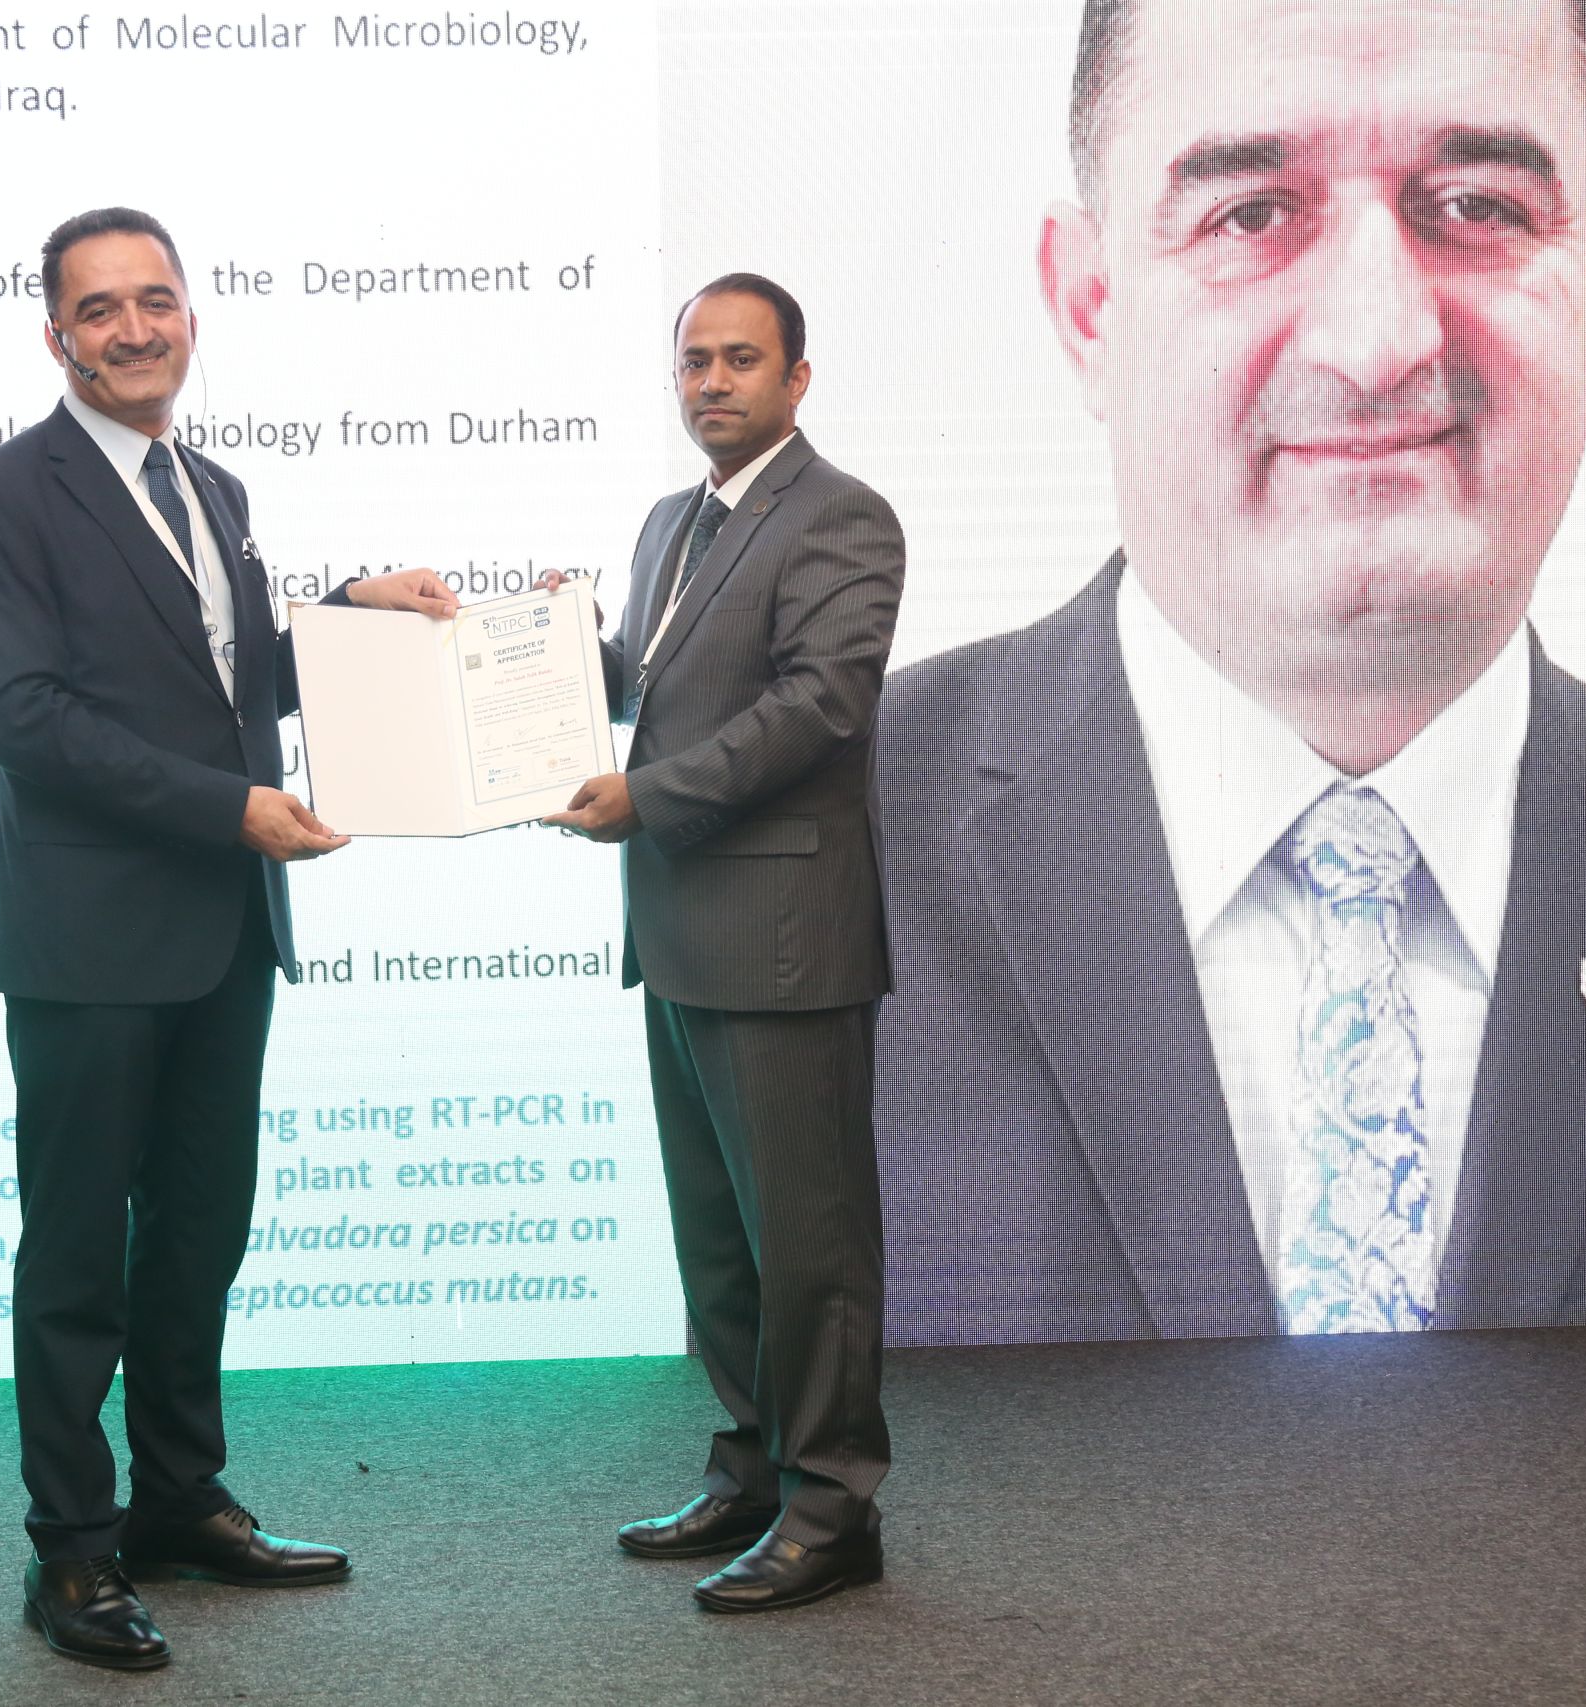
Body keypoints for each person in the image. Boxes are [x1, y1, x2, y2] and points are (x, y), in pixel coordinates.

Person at [873, 0, 1586, 1344]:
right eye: (1250, 214)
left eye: (1478, 206)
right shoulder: (803, 865)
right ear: (1090, 306)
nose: (1375, 341)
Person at [0, 206, 455, 1670]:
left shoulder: (211, 486)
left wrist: (350, 617)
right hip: (90, 937)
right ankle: (72, 1550)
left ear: (190, 318)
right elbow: (22, 718)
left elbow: (221, 684)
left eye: (154, 300)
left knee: (200, 1233)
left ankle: (178, 1498)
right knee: (77, 1256)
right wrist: (233, 809)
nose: (133, 328)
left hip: (223, 931)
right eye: (99, 309)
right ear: (56, 336)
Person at [545, 274, 904, 1611]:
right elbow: (657, 683)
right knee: (720, 1242)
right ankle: (753, 1469)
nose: (711, 381)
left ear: (797, 378)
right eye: (693, 360)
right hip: (682, 928)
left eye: (741, 359)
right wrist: (549, 652)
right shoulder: (671, 522)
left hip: (785, 940)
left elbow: (819, 707)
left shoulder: (842, 515)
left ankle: (832, 1507)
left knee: (810, 1247)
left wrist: (649, 797)